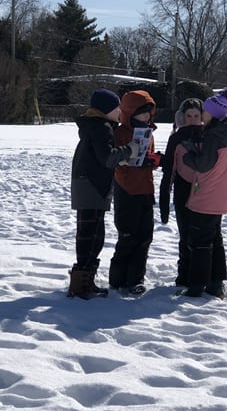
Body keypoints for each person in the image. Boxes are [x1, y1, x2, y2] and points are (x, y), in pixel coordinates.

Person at [69, 88, 137, 299]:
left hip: (85, 185)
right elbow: (107, 157)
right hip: (93, 186)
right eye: (117, 108)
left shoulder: (92, 126)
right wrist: (129, 150)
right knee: (92, 236)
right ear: (107, 109)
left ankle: (83, 280)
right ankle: (81, 285)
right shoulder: (102, 128)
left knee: (88, 234)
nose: (120, 113)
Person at [175, 89, 227, 298]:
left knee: (200, 241)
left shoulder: (213, 137)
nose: (202, 115)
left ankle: (196, 285)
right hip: (221, 195)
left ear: (213, 114)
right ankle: (216, 282)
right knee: (215, 239)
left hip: (206, 196)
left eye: (205, 112)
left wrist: (189, 156)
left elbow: (203, 165)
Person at [110, 90, 160, 295]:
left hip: (146, 189)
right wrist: (133, 162)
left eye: (149, 114)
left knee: (144, 237)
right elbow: (116, 162)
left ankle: (136, 278)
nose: (146, 117)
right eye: (142, 114)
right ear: (129, 113)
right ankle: (117, 278)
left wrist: (154, 160)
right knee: (127, 236)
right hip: (126, 190)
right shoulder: (120, 133)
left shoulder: (149, 134)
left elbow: (147, 158)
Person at [158, 98, 204, 286]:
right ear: (181, 117)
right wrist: (163, 202)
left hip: (203, 191)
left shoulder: (208, 136)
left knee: (202, 236)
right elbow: (169, 170)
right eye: (188, 116)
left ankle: (200, 275)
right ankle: (184, 275)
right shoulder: (176, 138)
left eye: (196, 115)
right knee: (185, 236)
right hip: (182, 191)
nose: (192, 119)